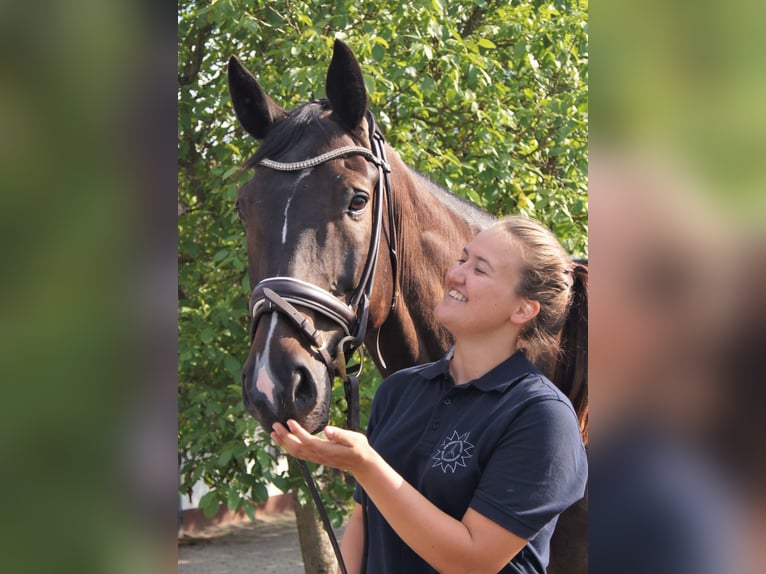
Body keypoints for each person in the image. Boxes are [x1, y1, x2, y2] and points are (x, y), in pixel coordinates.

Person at [271, 216, 588, 574]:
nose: (456, 274)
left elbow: (472, 560)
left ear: (523, 309)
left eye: (479, 270)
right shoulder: (400, 390)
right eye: (462, 259)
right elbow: (364, 523)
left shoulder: (541, 416)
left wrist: (366, 465)